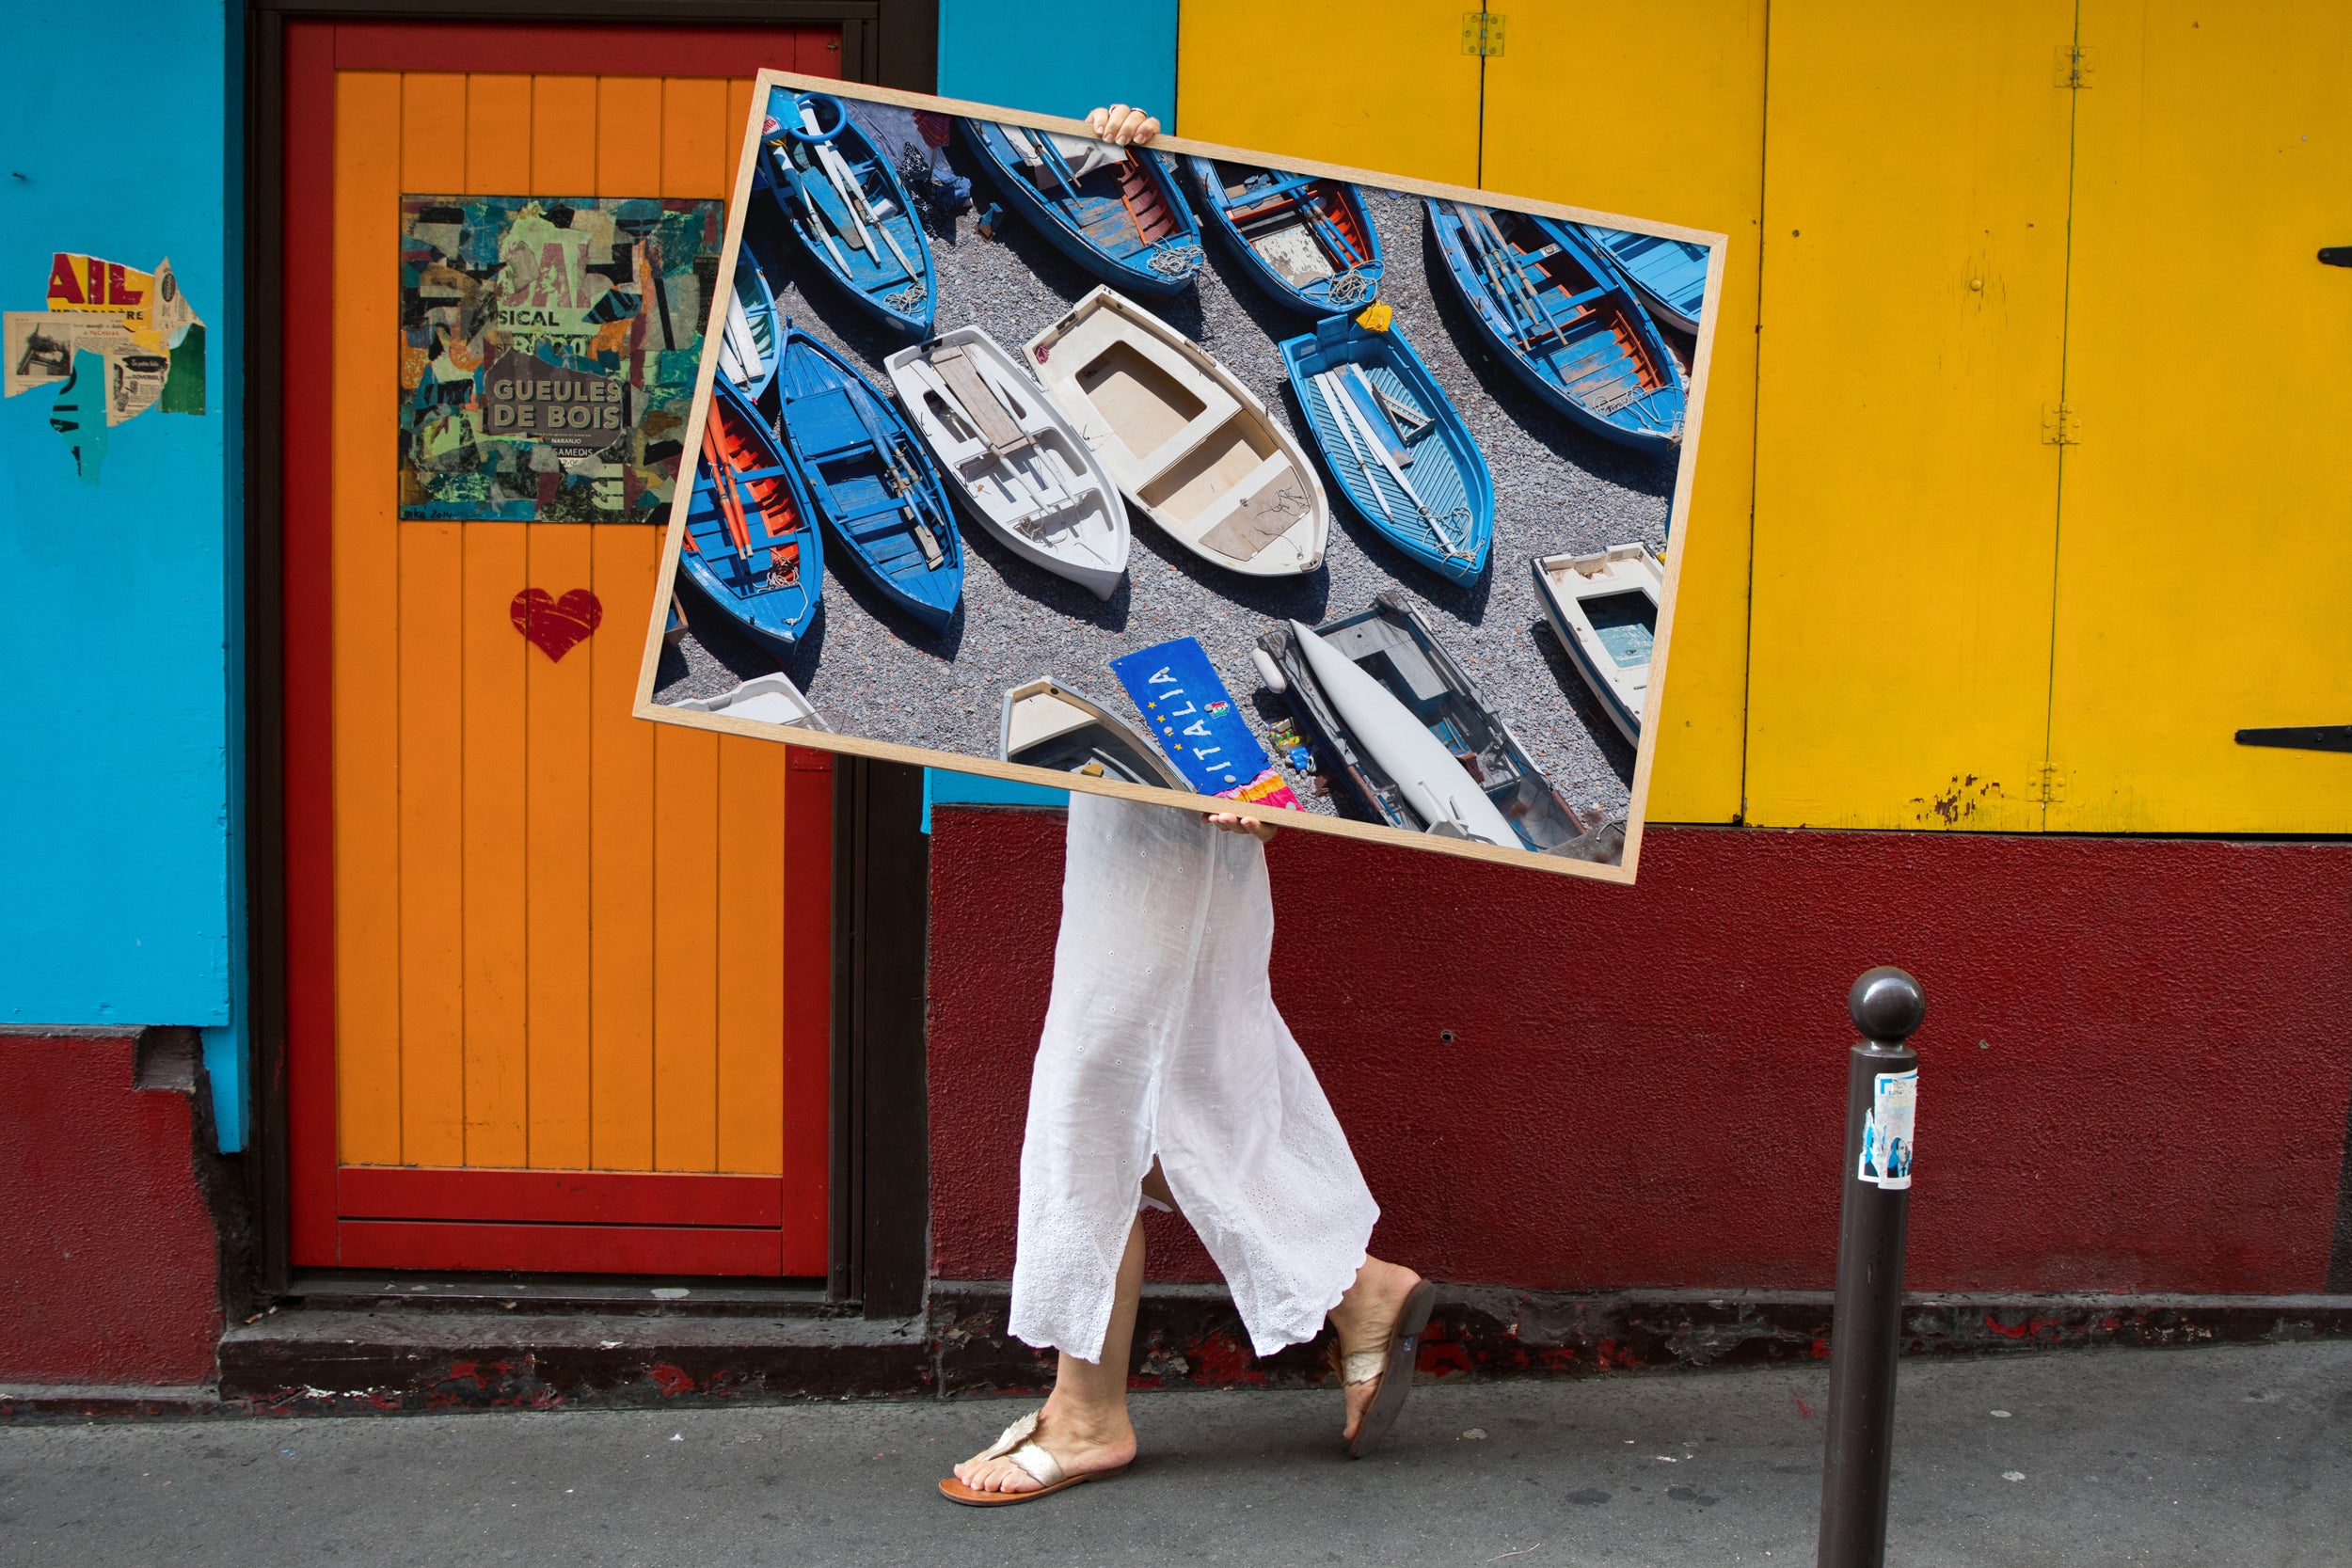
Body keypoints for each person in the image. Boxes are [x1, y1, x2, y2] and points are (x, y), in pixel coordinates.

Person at [937, 103, 1434, 1508]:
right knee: (1193, 1062)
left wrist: (1250, 758)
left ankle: (1088, 1407)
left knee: (1102, 1070)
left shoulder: (1218, 293)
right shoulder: (1095, 291)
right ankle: (1356, 1291)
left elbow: (1226, 307)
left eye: (1141, 197)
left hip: (1193, 749)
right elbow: (1042, 271)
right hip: (1148, 737)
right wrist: (1111, 165)